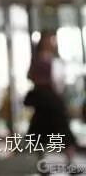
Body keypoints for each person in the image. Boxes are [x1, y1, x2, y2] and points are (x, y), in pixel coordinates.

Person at [25, 32, 77, 165]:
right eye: (49, 40)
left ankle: (69, 162)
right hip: (44, 100)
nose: (52, 43)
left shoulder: (53, 59)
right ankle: (43, 163)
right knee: (41, 132)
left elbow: (58, 81)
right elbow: (30, 75)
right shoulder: (39, 59)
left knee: (62, 131)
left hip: (52, 99)